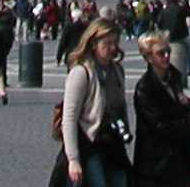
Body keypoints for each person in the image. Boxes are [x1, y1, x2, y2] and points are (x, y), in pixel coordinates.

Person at [52, 18, 133, 187]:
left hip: (112, 143)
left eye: (115, 43)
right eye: (108, 43)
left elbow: (120, 108)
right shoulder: (81, 73)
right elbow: (69, 119)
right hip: (89, 144)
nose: (113, 48)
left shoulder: (117, 70)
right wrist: (73, 160)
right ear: (94, 43)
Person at [132, 31, 190, 187]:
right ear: (149, 57)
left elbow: (184, 106)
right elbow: (159, 125)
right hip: (157, 163)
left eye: (168, 52)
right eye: (161, 53)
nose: (166, 56)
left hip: (179, 157)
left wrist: (187, 104)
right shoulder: (145, 87)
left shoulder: (173, 77)